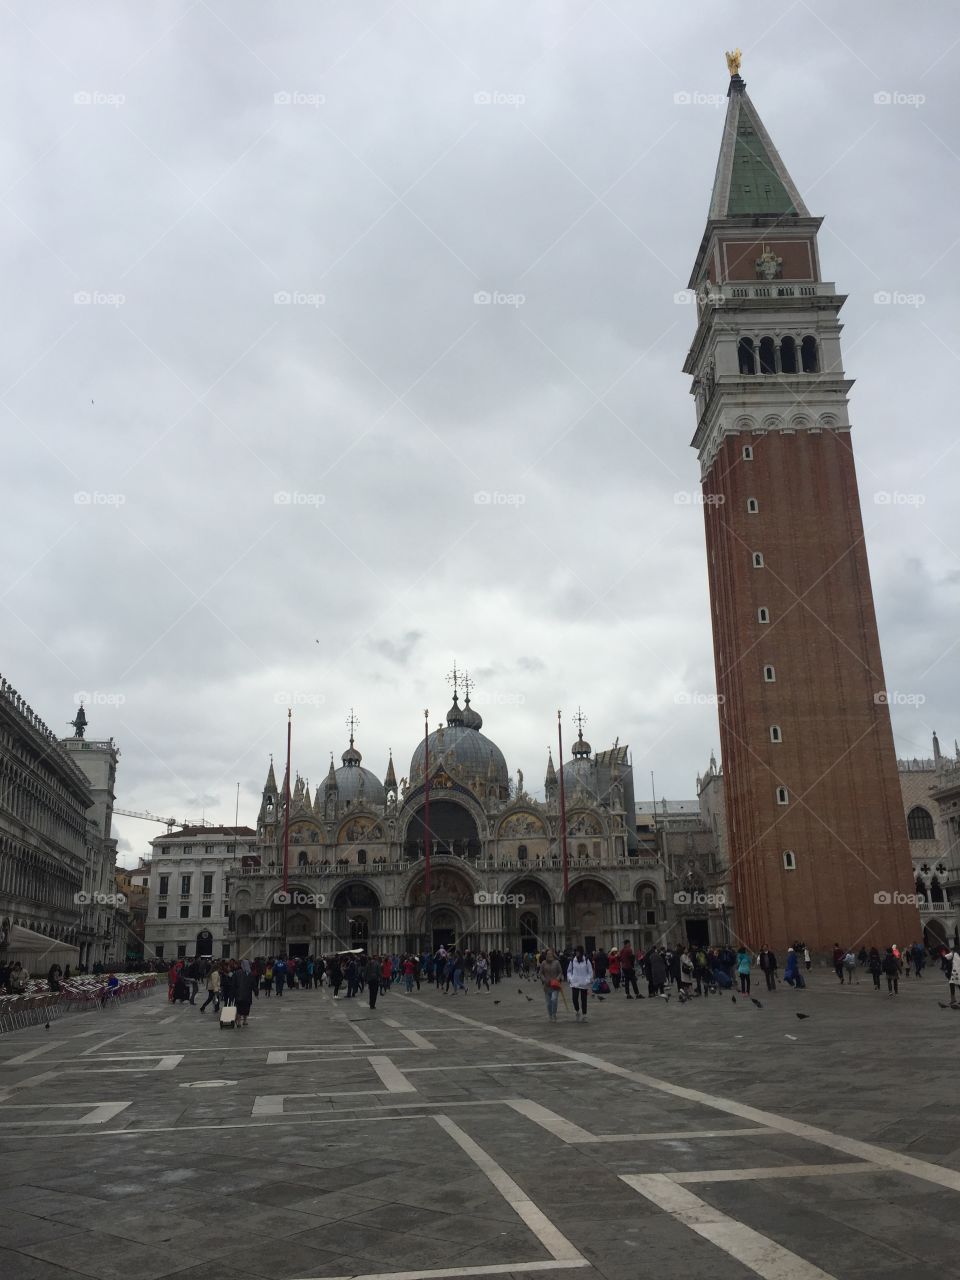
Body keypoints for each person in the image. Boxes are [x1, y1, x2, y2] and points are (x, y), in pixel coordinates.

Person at [567, 945, 593, 1022]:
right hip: (574, 983)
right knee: (574, 998)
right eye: (576, 952)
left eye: (578, 951)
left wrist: (588, 979)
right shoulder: (572, 961)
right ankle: (577, 1011)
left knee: (583, 999)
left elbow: (590, 971)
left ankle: (584, 1015)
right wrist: (570, 979)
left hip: (583, 983)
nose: (577, 953)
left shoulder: (586, 960)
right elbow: (569, 971)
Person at [537, 948, 563, 1022]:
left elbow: (560, 972)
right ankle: (550, 1015)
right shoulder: (543, 963)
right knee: (548, 1003)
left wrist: (557, 979)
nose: (549, 955)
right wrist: (544, 979)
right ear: (546, 955)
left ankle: (554, 1014)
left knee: (554, 999)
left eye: (551, 954)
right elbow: (540, 973)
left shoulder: (557, 962)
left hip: (555, 985)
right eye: (548, 954)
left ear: (553, 955)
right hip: (547, 985)